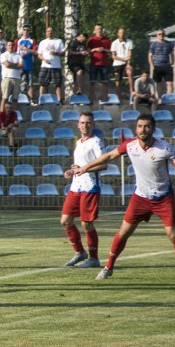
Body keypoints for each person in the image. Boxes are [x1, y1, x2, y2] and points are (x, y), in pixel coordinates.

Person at [75, 114, 175, 282]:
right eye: (140, 126)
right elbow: (108, 157)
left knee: (173, 235)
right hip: (140, 198)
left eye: (147, 126)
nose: (143, 130)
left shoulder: (164, 148)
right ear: (136, 128)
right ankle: (108, 267)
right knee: (123, 232)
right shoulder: (130, 145)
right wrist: (85, 167)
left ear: (153, 129)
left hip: (163, 198)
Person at [60, 112, 106, 268]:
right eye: (82, 122)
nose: (85, 125)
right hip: (75, 187)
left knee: (87, 224)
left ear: (92, 125)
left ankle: (94, 258)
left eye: (88, 122)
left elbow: (104, 164)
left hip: (90, 187)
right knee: (65, 221)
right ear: (78, 125)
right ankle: (80, 252)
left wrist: (85, 170)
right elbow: (79, 165)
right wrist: (71, 171)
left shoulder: (96, 142)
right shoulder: (79, 142)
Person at [37, 26, 66, 104]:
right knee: (43, 83)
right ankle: (41, 100)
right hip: (45, 66)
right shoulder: (42, 42)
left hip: (56, 66)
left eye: (51, 31)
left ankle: (59, 100)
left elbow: (63, 53)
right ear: (46, 33)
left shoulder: (58, 41)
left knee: (58, 84)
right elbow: (39, 54)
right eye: (48, 31)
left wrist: (56, 53)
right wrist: (44, 59)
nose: (50, 32)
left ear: (54, 32)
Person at [87, 24, 111, 102]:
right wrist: (95, 49)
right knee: (92, 82)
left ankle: (105, 100)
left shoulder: (107, 39)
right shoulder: (91, 39)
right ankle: (91, 100)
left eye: (100, 29)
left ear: (102, 29)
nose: (99, 30)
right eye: (97, 29)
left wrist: (103, 49)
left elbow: (111, 50)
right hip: (94, 63)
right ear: (95, 30)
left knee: (105, 82)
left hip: (104, 64)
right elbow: (88, 51)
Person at [148, 28, 175, 97]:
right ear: (157, 35)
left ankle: (169, 99)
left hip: (167, 66)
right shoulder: (153, 44)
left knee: (170, 84)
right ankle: (160, 98)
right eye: (159, 34)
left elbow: (172, 54)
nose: (161, 35)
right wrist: (152, 65)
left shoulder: (168, 44)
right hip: (157, 66)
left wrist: (172, 63)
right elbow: (150, 56)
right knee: (158, 84)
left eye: (163, 34)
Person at [0, 38, 23, 112]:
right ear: (6, 46)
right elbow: (7, 64)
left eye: (12, 45)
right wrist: (16, 65)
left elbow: (21, 65)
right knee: (4, 98)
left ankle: (14, 116)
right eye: (9, 45)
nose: (10, 46)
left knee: (15, 99)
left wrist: (12, 65)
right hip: (7, 78)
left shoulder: (18, 55)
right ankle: (2, 115)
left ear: (14, 46)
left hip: (17, 78)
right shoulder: (3, 55)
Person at [15, 25, 38, 103]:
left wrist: (26, 49)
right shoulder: (18, 40)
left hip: (29, 64)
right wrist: (19, 56)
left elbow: (35, 52)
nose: (25, 31)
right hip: (20, 64)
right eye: (24, 30)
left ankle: (31, 99)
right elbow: (14, 52)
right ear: (22, 30)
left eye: (27, 30)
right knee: (21, 82)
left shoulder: (32, 41)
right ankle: (21, 98)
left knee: (30, 83)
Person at [111, 28, 134, 99]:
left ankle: (131, 93)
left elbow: (129, 54)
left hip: (126, 63)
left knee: (129, 72)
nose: (122, 34)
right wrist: (122, 59)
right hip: (117, 64)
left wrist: (128, 64)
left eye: (123, 33)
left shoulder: (130, 42)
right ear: (118, 34)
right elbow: (113, 56)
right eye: (121, 33)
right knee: (118, 81)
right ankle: (118, 97)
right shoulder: (114, 43)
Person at [65, 32, 90, 97]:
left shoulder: (84, 43)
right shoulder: (73, 42)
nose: (83, 41)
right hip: (73, 62)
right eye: (82, 40)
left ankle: (78, 93)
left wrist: (86, 53)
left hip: (81, 62)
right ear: (80, 37)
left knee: (82, 76)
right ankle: (79, 89)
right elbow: (70, 52)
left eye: (84, 40)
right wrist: (80, 53)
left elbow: (86, 50)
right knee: (79, 71)